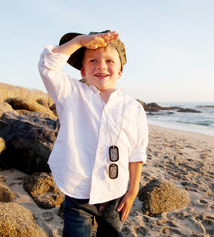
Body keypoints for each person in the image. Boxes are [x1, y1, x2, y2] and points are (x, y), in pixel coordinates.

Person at [38, 30, 148, 237]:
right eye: (92, 61)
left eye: (109, 61)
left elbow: (137, 152)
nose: (101, 66)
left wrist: (133, 190)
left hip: (114, 195)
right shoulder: (70, 94)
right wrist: (79, 41)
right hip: (78, 194)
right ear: (82, 71)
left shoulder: (134, 108)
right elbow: (48, 66)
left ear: (120, 71)